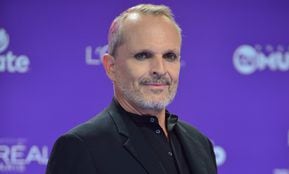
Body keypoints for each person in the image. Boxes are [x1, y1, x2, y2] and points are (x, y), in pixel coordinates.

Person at [46, 4, 217, 174]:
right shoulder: (80, 147)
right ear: (111, 67)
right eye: (143, 55)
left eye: (169, 56)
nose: (160, 69)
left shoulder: (200, 144)